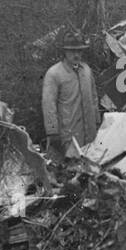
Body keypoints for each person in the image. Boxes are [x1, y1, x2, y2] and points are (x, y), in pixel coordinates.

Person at [42, 32, 101, 160]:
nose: (76, 55)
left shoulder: (86, 70)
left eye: (79, 51)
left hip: (89, 134)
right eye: (72, 51)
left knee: (89, 171)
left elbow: (94, 98)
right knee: (66, 171)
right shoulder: (54, 74)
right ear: (65, 52)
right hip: (68, 135)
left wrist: (97, 121)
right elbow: (48, 105)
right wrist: (53, 132)